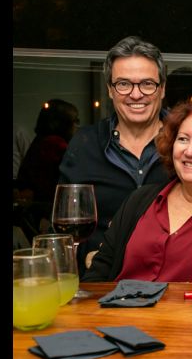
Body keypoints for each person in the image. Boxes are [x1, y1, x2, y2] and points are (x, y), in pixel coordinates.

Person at [84, 99, 192, 283]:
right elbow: (99, 272)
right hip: (117, 302)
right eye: (183, 139)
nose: (190, 151)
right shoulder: (139, 200)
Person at [59, 36, 171, 275]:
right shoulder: (84, 145)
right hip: (101, 282)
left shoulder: (186, 143)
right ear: (110, 90)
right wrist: (86, 254)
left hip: (173, 281)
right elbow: (63, 230)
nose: (136, 94)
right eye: (123, 84)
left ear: (162, 89)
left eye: (147, 84)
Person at [16, 99, 80, 239]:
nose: (78, 126)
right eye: (75, 120)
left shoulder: (40, 141)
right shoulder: (54, 145)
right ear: (62, 123)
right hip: (47, 215)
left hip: (37, 214)